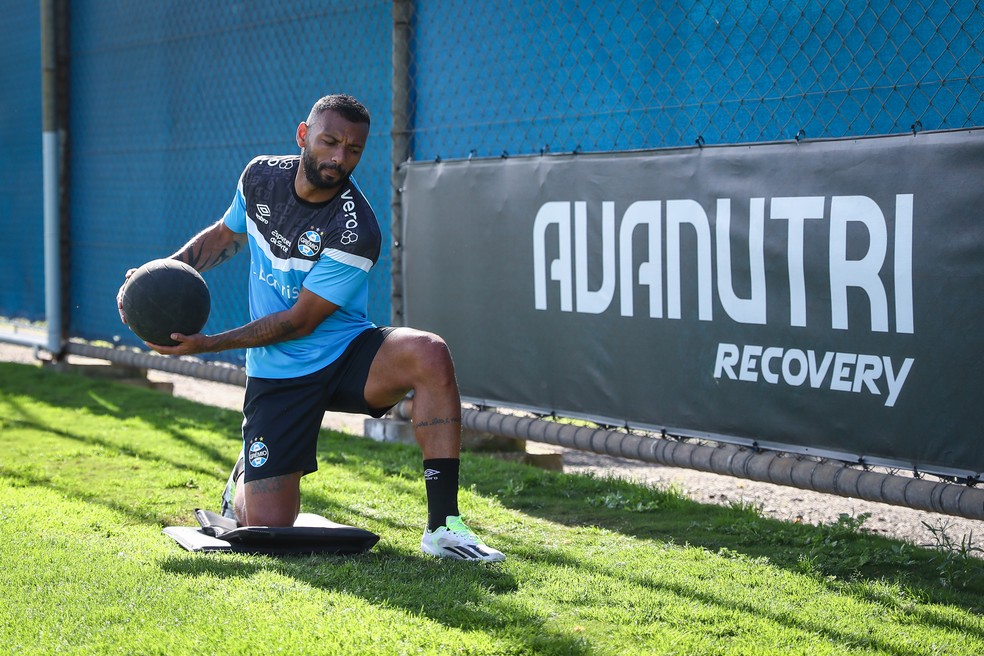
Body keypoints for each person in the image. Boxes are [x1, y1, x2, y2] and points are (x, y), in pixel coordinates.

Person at [116, 94, 504, 562]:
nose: (340, 157)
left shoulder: (357, 229)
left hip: (344, 353)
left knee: (429, 351)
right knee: (266, 525)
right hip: (277, 375)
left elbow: (300, 321)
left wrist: (208, 344)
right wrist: (155, 280)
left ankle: (444, 527)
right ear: (304, 135)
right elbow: (226, 234)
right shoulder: (259, 177)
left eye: (354, 149)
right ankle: (245, 477)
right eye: (330, 142)